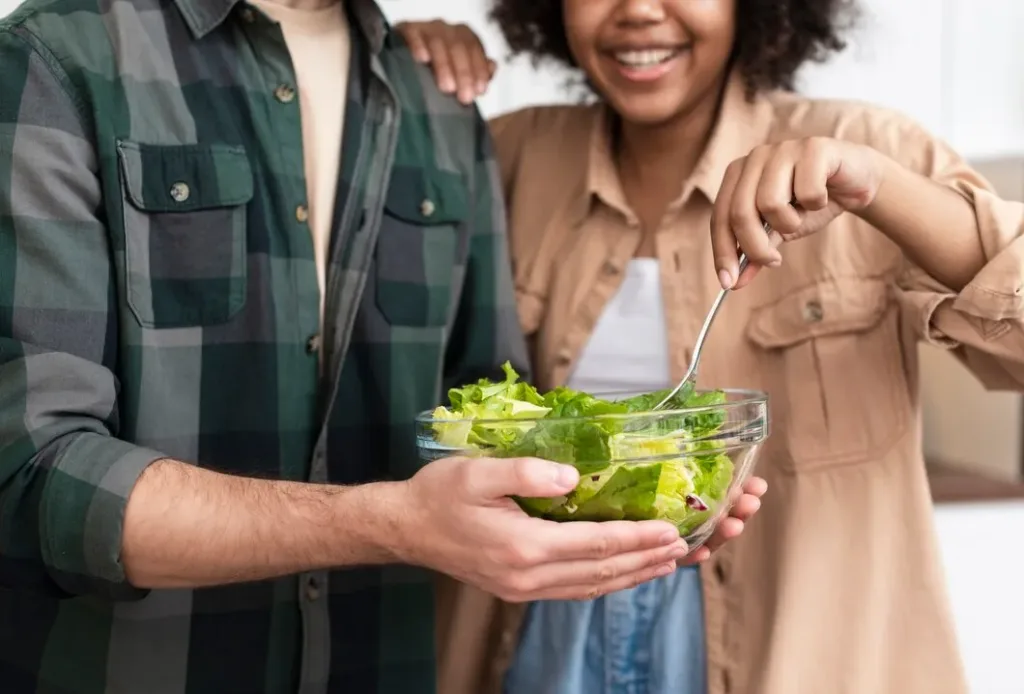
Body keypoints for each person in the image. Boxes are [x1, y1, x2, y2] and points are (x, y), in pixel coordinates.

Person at [0, 0, 766, 691]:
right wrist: (389, 521)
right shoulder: (57, 58)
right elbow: (31, 480)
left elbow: (496, 426)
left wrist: (635, 512)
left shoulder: (442, 106)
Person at [396, 2, 1024, 694]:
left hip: (797, 654)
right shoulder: (506, 152)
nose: (637, 10)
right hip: (542, 636)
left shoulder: (862, 147)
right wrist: (390, 71)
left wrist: (875, 186)